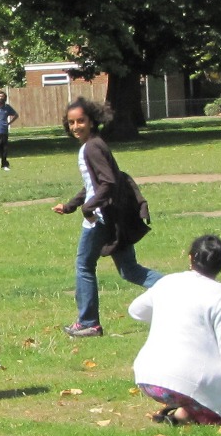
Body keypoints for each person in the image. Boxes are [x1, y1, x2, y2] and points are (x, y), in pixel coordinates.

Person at [128, 234, 221, 424]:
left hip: (148, 378)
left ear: (190, 258)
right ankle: (191, 415)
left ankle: (184, 414)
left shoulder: (168, 282)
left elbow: (136, 311)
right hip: (185, 381)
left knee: (211, 384)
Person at [54, 97, 158, 338]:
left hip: (100, 218)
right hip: (109, 216)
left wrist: (88, 208)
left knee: (84, 266)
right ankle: (179, 290)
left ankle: (89, 323)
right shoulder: (94, 145)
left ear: (92, 120)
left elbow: (109, 182)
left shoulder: (92, 147)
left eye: (81, 120)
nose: (76, 126)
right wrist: (70, 205)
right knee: (129, 270)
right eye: (71, 122)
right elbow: (94, 184)